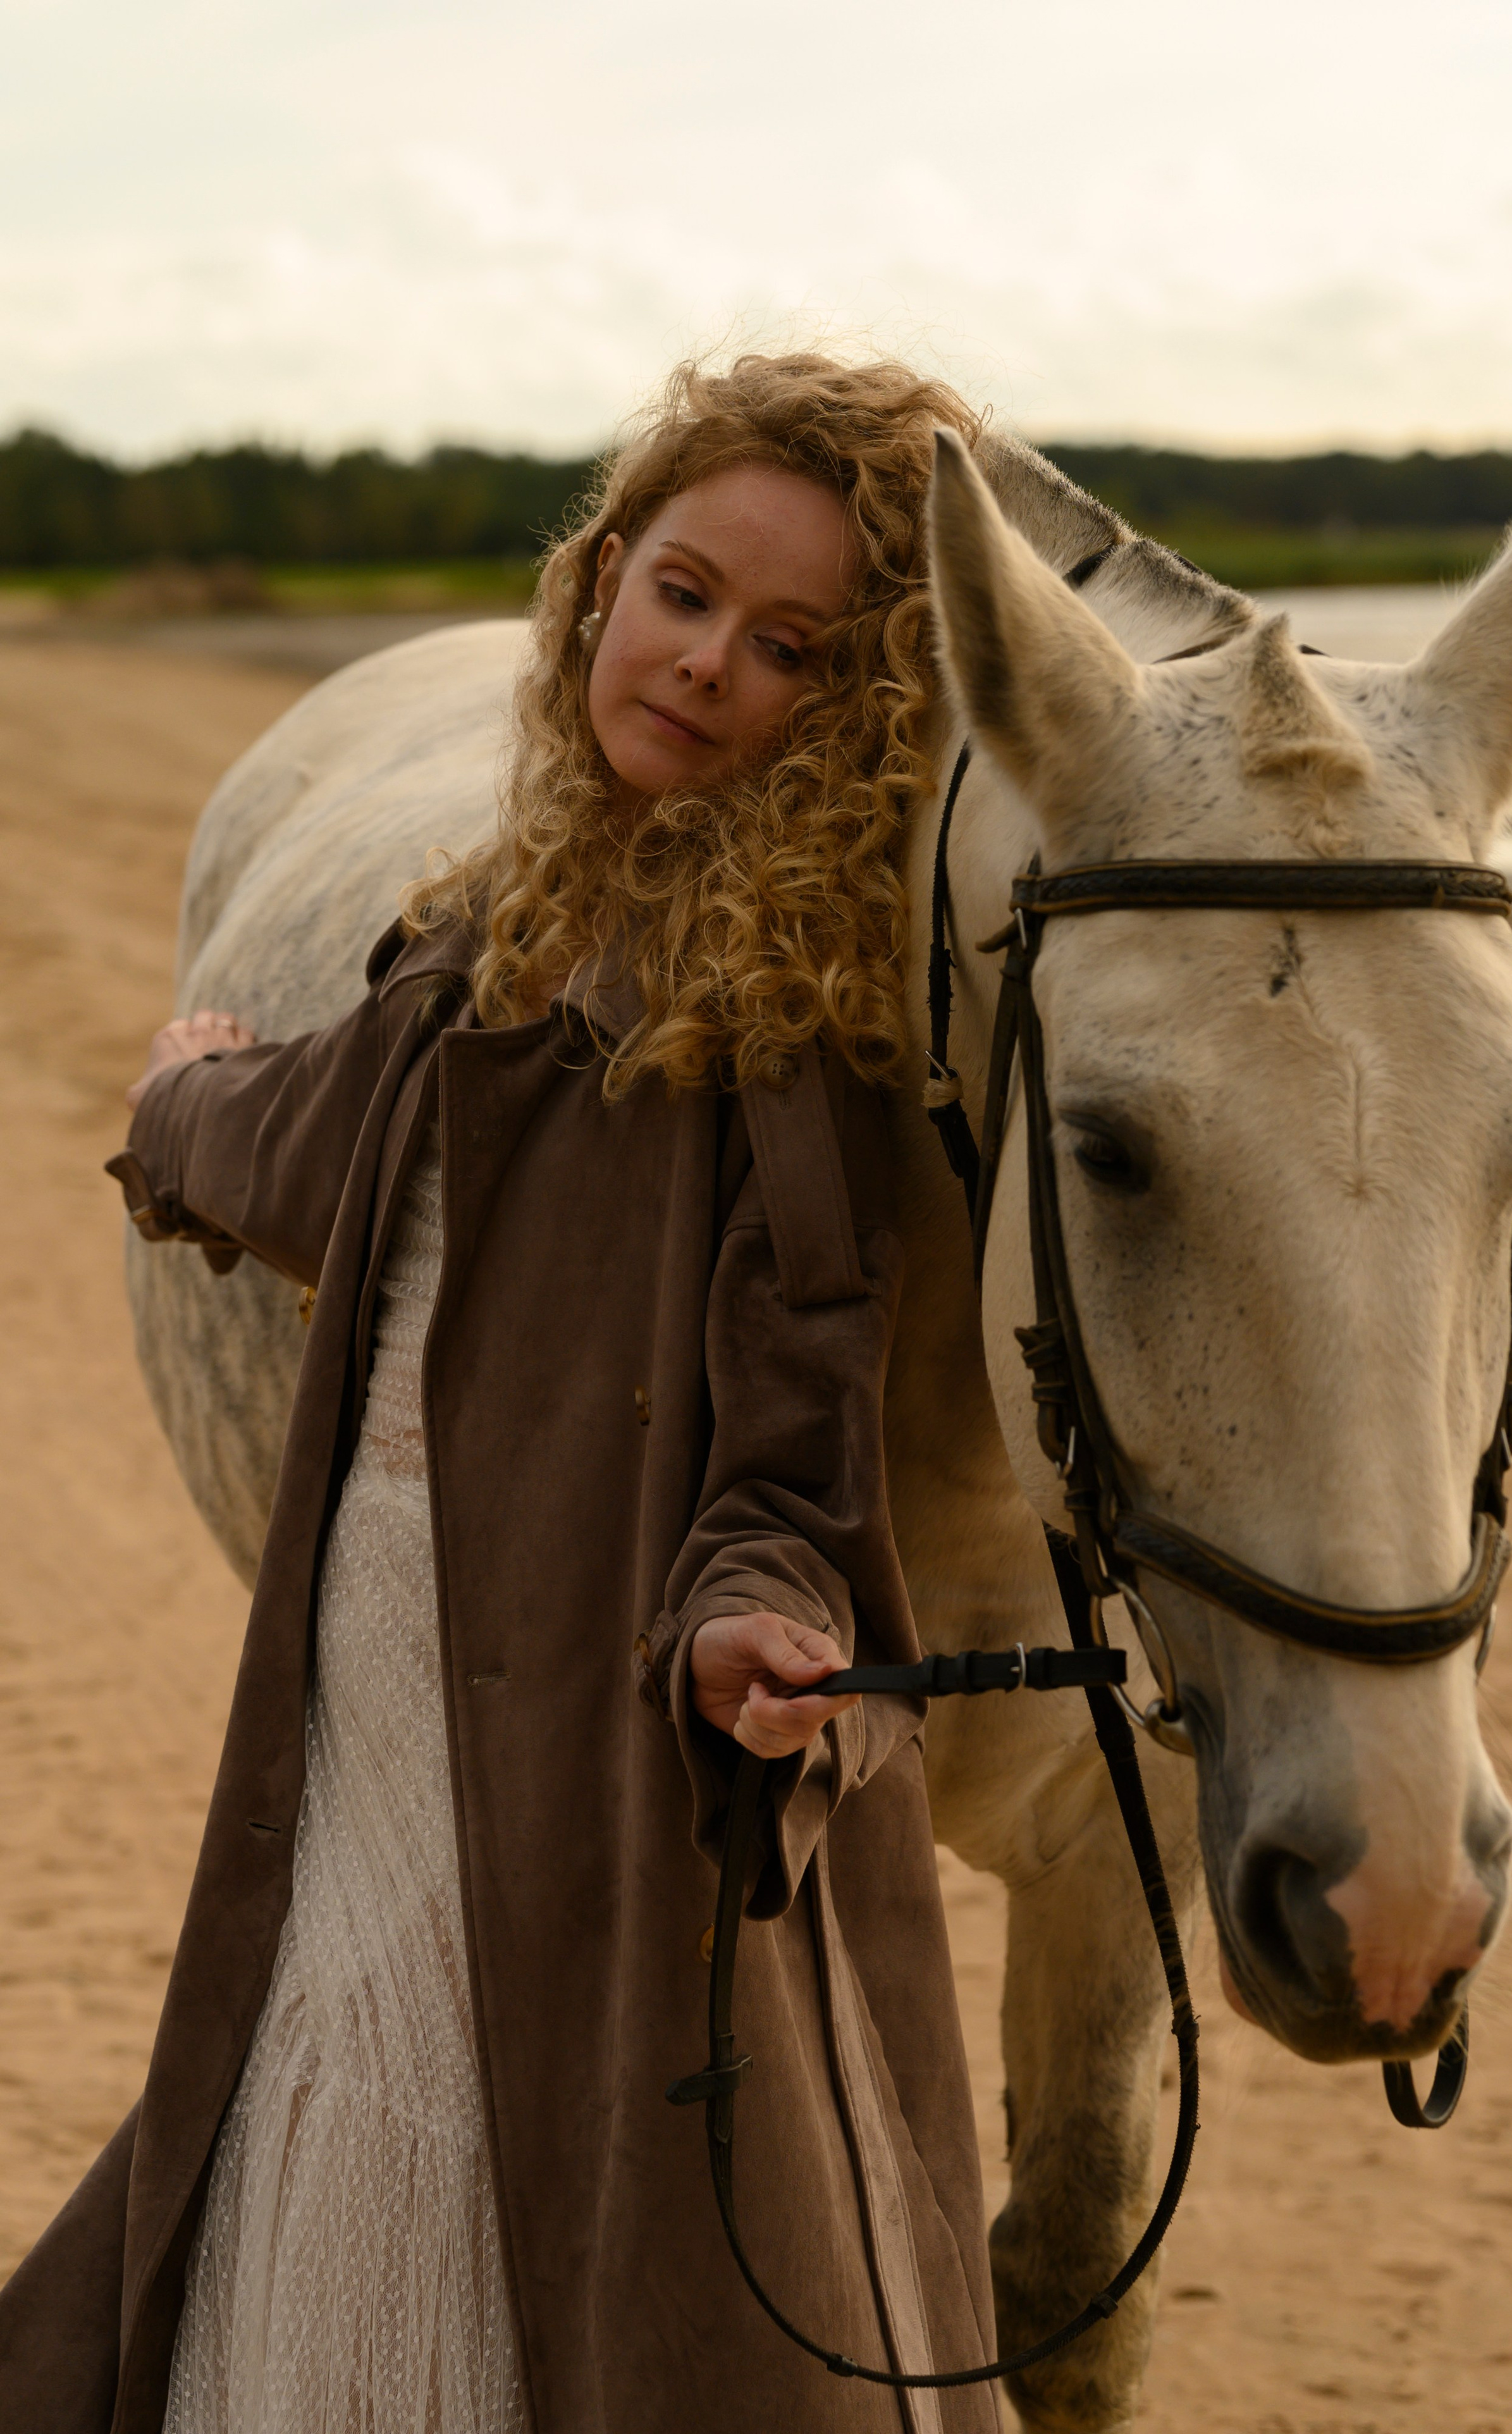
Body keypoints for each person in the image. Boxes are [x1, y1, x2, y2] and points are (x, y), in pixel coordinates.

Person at [0, 353, 1001, 2433]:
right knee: (318, 2089)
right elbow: (334, 1150)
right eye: (684, 592)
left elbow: (797, 1429)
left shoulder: (778, 1037)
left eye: (792, 647)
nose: (713, 664)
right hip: (372, 1635)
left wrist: (766, 1616)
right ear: (599, 586)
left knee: (488, 2134)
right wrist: (184, 1111)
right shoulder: (502, 919)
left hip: (571, 1707)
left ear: (857, 712)